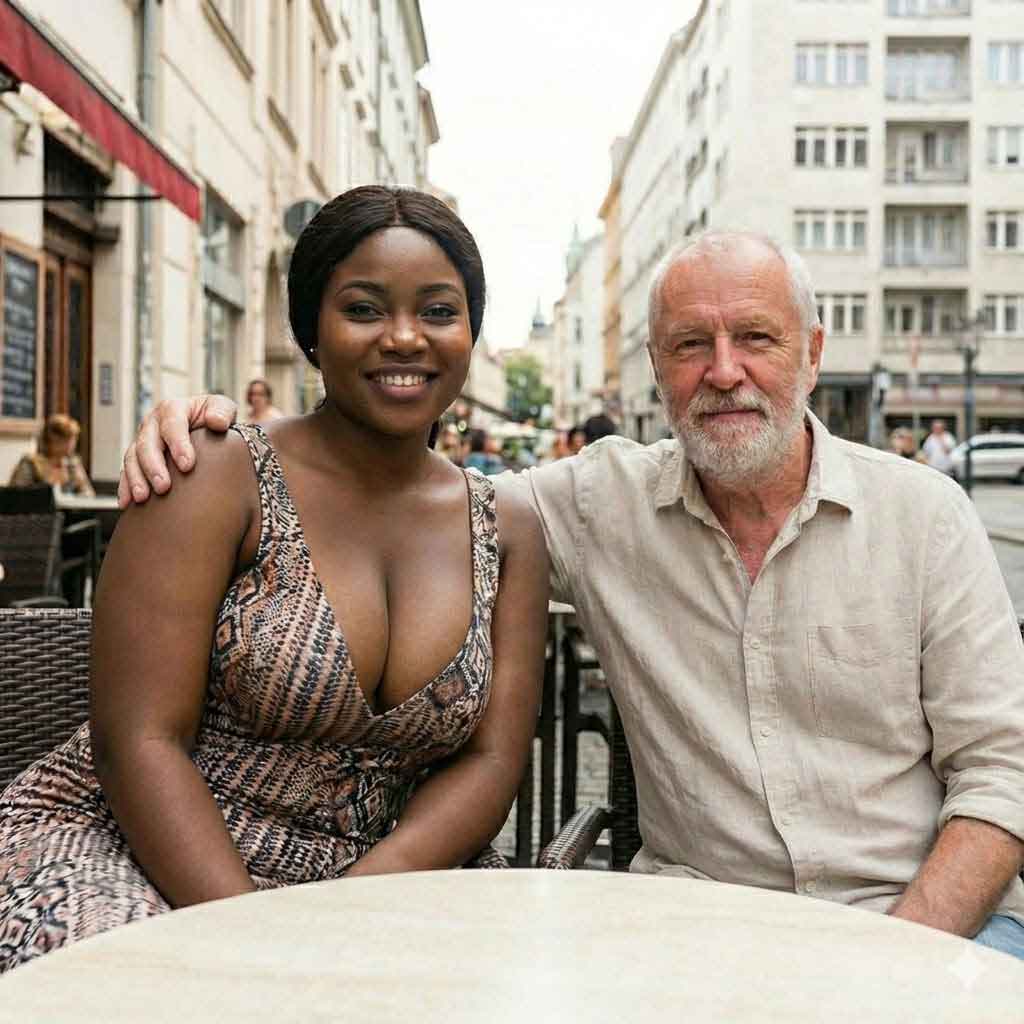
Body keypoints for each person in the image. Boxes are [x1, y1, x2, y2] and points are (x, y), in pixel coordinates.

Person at [117, 232, 1024, 959]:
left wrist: (901, 954)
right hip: (704, 935)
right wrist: (211, 431)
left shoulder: (925, 517)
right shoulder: (592, 504)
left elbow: (1003, 772)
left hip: (933, 926)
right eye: (690, 345)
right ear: (656, 367)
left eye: (756, 338)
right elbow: (410, 504)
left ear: (813, 353)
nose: (723, 372)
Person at [0, 186, 549, 973]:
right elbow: (139, 741)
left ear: (469, 332)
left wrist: (350, 909)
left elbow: (491, 763)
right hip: (145, 853)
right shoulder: (213, 474)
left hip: (386, 879)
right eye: (363, 309)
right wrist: (258, 946)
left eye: (437, 311)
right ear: (310, 330)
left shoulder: (509, 526)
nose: (404, 337)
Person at [8, 413, 95, 496]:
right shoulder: (30, 463)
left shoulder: (73, 465)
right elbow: (16, 494)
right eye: (66, 439)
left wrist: (80, 488)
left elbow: (88, 494)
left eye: (72, 439)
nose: (71, 444)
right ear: (51, 440)